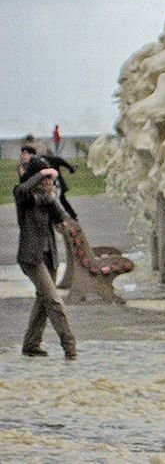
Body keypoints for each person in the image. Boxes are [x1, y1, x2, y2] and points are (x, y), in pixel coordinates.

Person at [14, 156, 77, 359]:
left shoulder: (46, 198)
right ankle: (70, 347)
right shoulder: (23, 195)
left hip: (49, 256)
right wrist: (42, 174)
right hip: (31, 257)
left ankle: (31, 345)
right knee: (53, 301)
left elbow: (60, 217)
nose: (49, 181)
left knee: (43, 301)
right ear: (37, 177)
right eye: (45, 177)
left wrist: (51, 195)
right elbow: (24, 190)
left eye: (50, 177)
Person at [42, 153, 79, 220]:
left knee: (54, 200)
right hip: (55, 183)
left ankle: (69, 215)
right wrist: (71, 168)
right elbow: (63, 162)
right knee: (61, 200)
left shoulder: (40, 160)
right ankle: (72, 215)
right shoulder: (55, 159)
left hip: (53, 184)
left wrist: (71, 168)